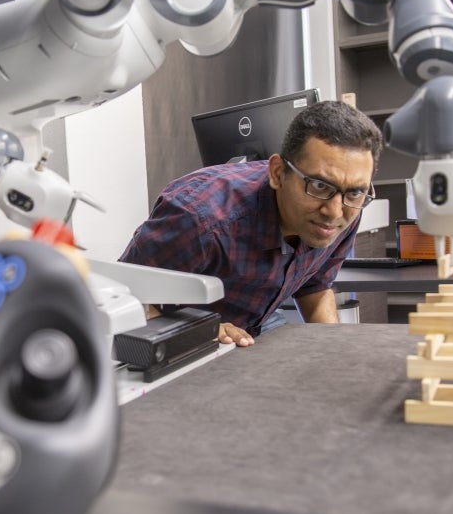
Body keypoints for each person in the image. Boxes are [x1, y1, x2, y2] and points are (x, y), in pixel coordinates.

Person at [119, 100, 382, 347]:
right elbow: (123, 297)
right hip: (181, 341)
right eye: (320, 186)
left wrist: (333, 355)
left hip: (255, 327)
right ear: (278, 173)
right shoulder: (199, 218)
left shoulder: (347, 208)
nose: (335, 211)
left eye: (355, 192)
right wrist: (196, 333)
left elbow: (315, 286)